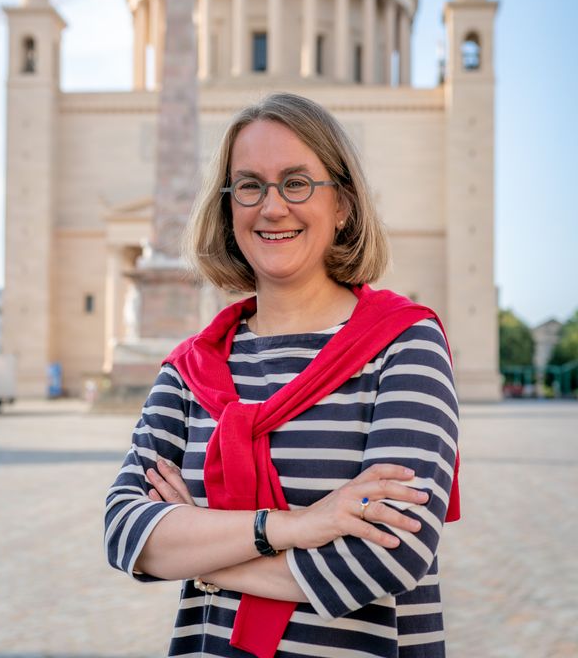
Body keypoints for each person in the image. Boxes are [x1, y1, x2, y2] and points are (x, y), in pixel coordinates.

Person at [105, 92, 460, 658]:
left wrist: (201, 551)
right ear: (228, 207)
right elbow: (126, 533)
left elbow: (389, 553)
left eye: (297, 182)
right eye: (249, 185)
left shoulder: (403, 344)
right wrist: (292, 526)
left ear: (342, 203)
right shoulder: (192, 368)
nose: (272, 207)